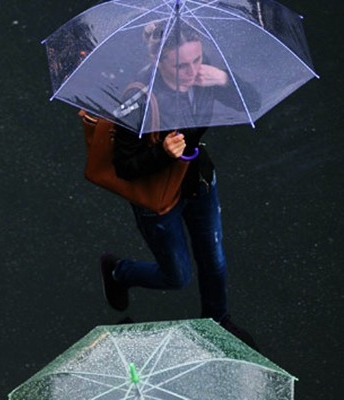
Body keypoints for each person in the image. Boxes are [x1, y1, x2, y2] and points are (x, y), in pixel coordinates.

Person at [99, 21, 259, 347]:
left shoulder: (204, 76)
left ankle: (216, 321)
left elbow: (251, 104)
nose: (192, 71)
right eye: (181, 65)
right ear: (159, 61)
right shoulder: (139, 98)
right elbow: (123, 168)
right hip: (159, 198)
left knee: (214, 261)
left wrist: (225, 79)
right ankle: (118, 272)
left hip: (198, 181)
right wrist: (161, 153)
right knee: (177, 276)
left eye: (197, 60)